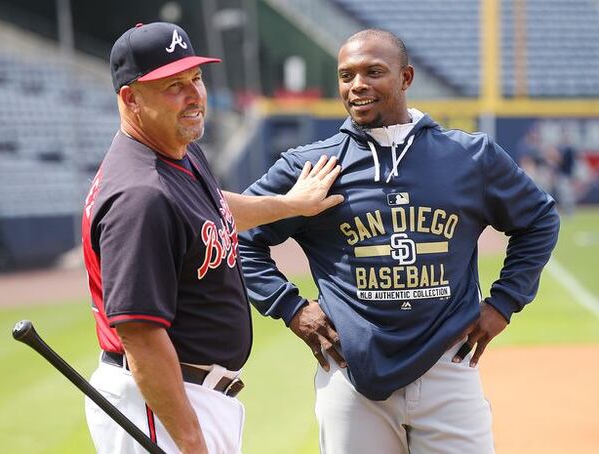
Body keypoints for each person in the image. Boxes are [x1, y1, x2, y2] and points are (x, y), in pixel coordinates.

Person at [238, 29, 560, 454]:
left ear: (406, 78)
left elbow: (539, 219)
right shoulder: (312, 166)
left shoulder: (470, 157)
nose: (358, 86)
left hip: (449, 366)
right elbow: (237, 235)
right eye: (346, 75)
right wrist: (290, 307)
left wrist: (504, 301)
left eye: (374, 72)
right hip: (351, 373)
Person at [81, 22, 342, 454]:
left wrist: (290, 204)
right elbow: (140, 335)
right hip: (160, 405)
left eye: (196, 79)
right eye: (173, 86)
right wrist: (190, 441)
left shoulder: (174, 151)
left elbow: (211, 208)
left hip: (190, 396)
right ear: (131, 98)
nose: (194, 95)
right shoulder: (139, 196)